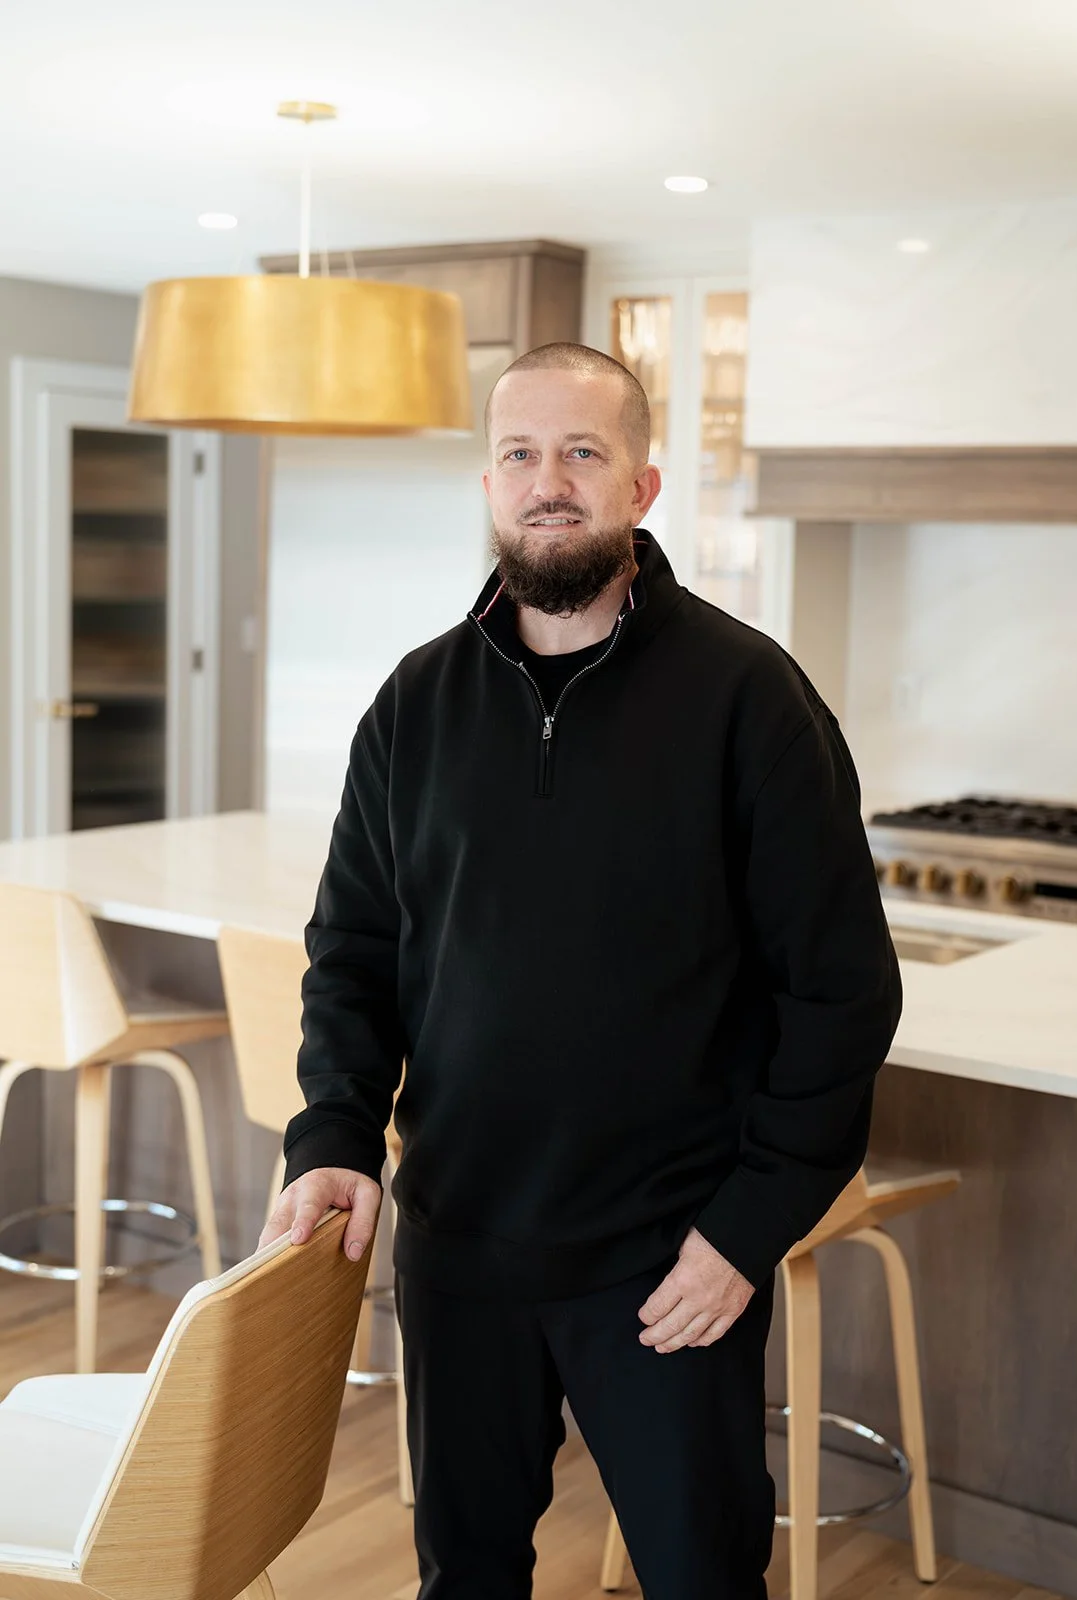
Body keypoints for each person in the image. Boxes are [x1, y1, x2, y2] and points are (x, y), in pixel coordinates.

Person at [263, 342, 902, 1599]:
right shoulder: (413, 705)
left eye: (582, 452)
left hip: (669, 1262)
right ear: (490, 484)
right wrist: (333, 1128)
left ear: (642, 485)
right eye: (519, 453)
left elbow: (841, 992)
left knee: (700, 1577)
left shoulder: (750, 700)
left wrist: (749, 1226)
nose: (547, 480)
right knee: (469, 1575)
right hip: (459, 1247)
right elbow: (354, 949)